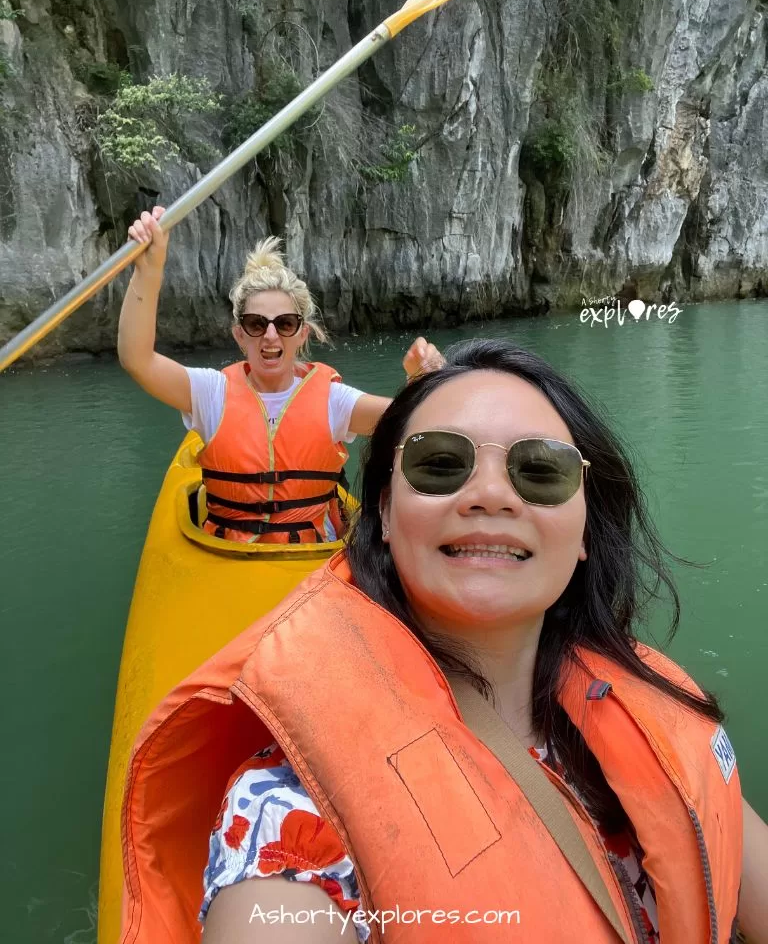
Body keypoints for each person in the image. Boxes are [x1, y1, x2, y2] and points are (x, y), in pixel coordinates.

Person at [119, 339, 768, 944]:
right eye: (440, 464)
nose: (489, 494)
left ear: (585, 534)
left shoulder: (648, 714)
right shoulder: (296, 808)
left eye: (540, 470)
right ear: (382, 517)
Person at [117, 206, 442, 543]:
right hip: (229, 556)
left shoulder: (333, 400)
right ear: (239, 336)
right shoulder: (210, 393)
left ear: (302, 334)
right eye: (256, 324)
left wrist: (428, 382)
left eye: (285, 324)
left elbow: (419, 426)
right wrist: (149, 269)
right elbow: (136, 359)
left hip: (309, 555)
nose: (270, 336)